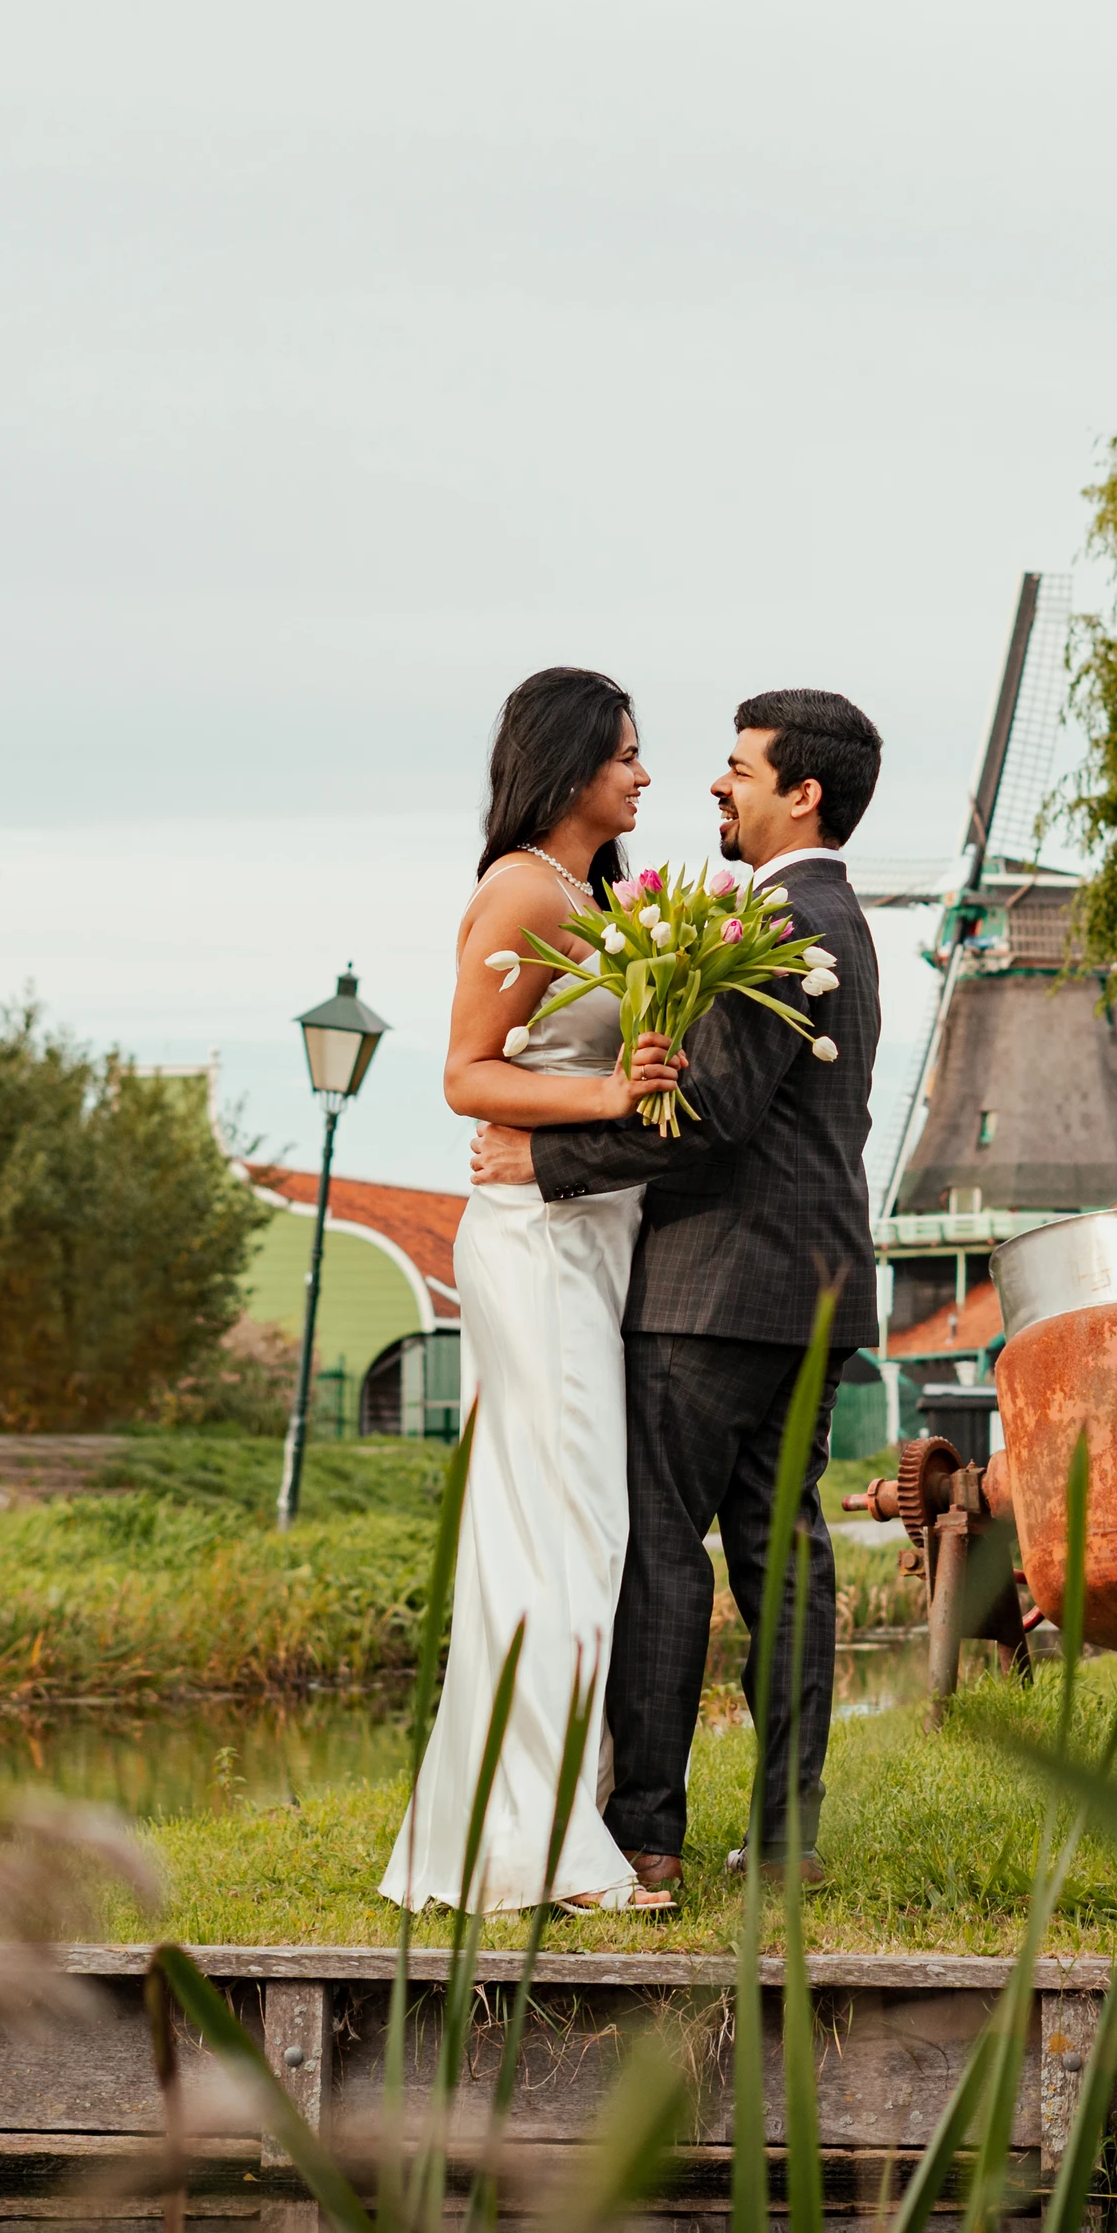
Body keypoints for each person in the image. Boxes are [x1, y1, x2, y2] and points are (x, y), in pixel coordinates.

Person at [473, 689, 882, 1892]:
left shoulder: (789, 920)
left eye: (738, 768)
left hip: (711, 1288)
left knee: (663, 1555)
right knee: (781, 1556)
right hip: (814, 1286)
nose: (714, 784)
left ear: (800, 793)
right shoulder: (831, 919)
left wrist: (542, 1161)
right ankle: (785, 1837)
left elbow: (708, 1110)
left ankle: (647, 1832)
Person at [381, 667, 682, 1918]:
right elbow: (464, 1074)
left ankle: (515, 1831)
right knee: (568, 1524)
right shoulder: (519, 889)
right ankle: (542, 1846)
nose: (645, 776)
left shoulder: (587, 895)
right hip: (538, 1245)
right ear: (568, 767)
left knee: (564, 1525)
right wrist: (611, 1095)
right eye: (624, 754)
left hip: (592, 1241)